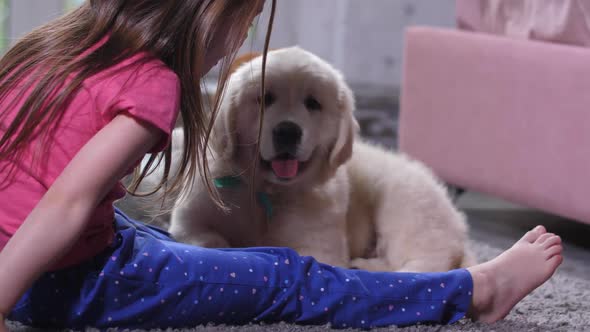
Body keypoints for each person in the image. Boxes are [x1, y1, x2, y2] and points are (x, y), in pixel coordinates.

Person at [0, 0, 563, 330]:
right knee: (285, 275)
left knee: (155, 239)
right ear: (205, 13)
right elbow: (65, 203)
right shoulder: (153, 82)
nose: (238, 39)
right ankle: (472, 291)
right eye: (242, 22)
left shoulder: (60, 44)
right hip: (61, 280)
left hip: (40, 253)